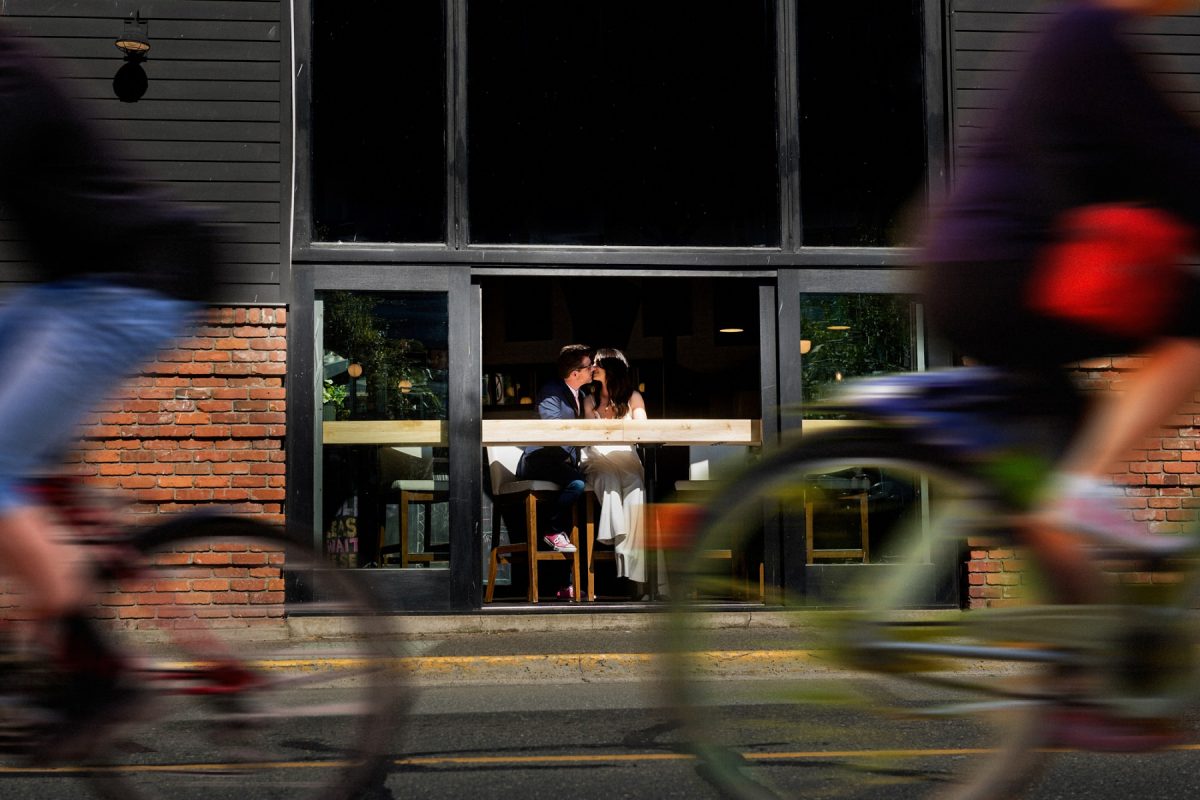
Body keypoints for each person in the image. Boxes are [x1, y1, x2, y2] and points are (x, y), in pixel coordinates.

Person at [921, 0, 1200, 747]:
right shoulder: (1089, 33)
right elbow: (1177, 163)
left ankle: (1083, 682)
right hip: (1004, 270)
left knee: (1063, 471)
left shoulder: (1083, 35)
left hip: (978, 269)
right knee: (1192, 333)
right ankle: (1083, 504)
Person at [0, 27, 218, 735]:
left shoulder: (12, 77)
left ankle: (97, 674)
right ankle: (51, 549)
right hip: (70, 291)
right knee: (21, 468)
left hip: (134, 282)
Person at [579, 348, 660, 598]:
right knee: (608, 479)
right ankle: (619, 537)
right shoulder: (589, 399)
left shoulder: (633, 396)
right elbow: (586, 435)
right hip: (598, 455)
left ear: (611, 369)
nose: (593, 368)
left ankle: (635, 574)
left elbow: (642, 427)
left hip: (625, 455)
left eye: (597, 364)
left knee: (636, 485)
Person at [516, 345, 594, 596]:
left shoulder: (580, 395)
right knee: (577, 484)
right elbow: (551, 426)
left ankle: (565, 584)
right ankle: (550, 529)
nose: (593, 369)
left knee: (581, 506)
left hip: (561, 463)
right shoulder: (552, 392)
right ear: (575, 372)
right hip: (540, 460)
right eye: (589, 365)